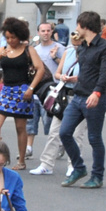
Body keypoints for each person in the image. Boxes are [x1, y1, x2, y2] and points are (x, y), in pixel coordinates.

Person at [0, 17, 47, 170]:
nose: (10, 40)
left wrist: (31, 88)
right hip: (6, 90)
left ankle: (21, 161)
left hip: (22, 90)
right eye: (8, 37)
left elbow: (40, 69)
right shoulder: (3, 49)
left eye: (13, 37)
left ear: (20, 36)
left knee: (20, 127)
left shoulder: (28, 50)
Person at [57, 10, 106, 189]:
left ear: (85, 26)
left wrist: (96, 93)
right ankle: (79, 168)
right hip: (78, 96)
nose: (76, 29)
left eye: (78, 25)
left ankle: (97, 176)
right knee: (64, 132)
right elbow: (87, 72)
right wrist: (75, 79)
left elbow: (104, 74)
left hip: (93, 97)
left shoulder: (105, 47)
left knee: (94, 138)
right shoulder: (82, 47)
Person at [31, 32, 81, 176]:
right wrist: (63, 77)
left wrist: (76, 78)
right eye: (74, 44)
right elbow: (57, 74)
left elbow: (90, 76)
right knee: (54, 131)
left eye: (78, 45)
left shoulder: (88, 55)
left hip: (79, 94)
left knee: (77, 134)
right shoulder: (68, 52)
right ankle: (46, 164)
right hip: (65, 94)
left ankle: (73, 165)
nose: (76, 48)